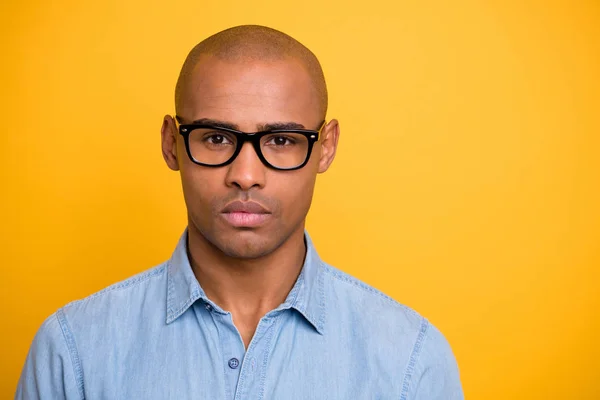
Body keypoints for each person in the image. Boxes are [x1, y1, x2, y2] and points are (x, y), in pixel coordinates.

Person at [16, 25, 463, 399]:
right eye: (215, 138)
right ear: (172, 143)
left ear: (325, 148)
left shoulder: (411, 360)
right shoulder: (71, 353)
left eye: (282, 141)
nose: (245, 175)